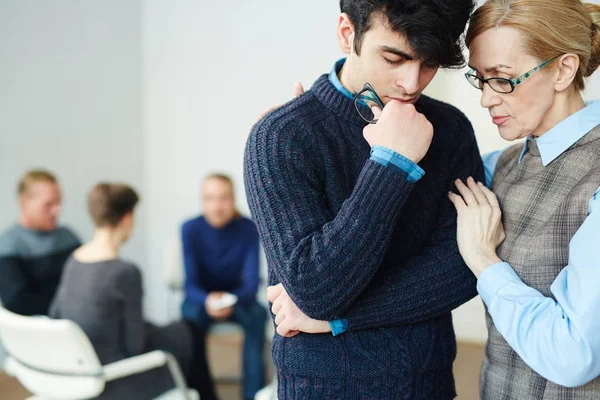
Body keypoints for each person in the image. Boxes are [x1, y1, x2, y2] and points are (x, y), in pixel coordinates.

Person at [244, 0, 484, 397]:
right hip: (324, 387)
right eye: (394, 57)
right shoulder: (281, 136)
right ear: (346, 33)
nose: (412, 83)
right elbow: (317, 291)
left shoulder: (452, 129)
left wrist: (340, 321)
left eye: (429, 64)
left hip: (429, 380)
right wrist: (391, 164)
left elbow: (465, 267)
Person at [446, 0, 600, 398]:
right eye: (479, 78)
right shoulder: (503, 164)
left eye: (502, 78)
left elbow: (574, 356)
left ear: (563, 70)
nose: (486, 99)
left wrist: (484, 260)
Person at [50, 183, 199, 399]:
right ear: (127, 218)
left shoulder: (74, 260)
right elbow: (134, 346)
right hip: (115, 380)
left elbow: (56, 314)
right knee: (188, 332)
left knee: (176, 331)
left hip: (79, 370)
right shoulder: (125, 272)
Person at [181, 173, 266, 400]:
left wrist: (229, 300)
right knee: (187, 319)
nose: (217, 206)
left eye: (223, 198)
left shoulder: (248, 228)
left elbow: (250, 285)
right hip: (202, 301)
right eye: (210, 198)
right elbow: (190, 285)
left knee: (258, 317)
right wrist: (208, 301)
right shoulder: (189, 229)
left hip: (239, 299)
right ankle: (203, 394)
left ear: (233, 199)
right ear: (202, 200)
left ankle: (253, 394)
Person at [0, 169, 80, 316]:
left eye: (59, 203)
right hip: (36, 331)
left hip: (75, 322)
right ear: (23, 202)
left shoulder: (68, 237)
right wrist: (66, 308)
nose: (57, 211)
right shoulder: (8, 246)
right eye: (48, 204)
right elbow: (16, 301)